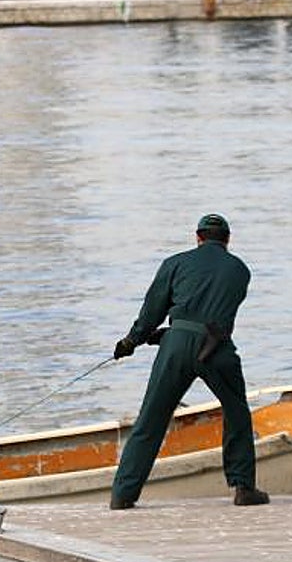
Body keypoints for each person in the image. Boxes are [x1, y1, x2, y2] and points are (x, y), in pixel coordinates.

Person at [109, 213, 270, 510]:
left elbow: (152, 311)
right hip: (217, 348)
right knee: (237, 412)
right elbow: (218, 312)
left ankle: (123, 494)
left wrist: (131, 341)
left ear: (198, 237)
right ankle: (243, 487)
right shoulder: (240, 270)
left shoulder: (175, 263)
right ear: (227, 240)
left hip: (176, 346)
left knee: (151, 418)